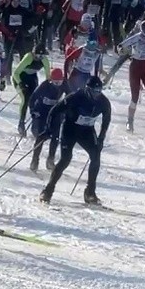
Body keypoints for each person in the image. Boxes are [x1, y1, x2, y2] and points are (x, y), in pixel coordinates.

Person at [38, 75, 110, 204]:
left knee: (95, 156)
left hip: (87, 131)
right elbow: (55, 110)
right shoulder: (75, 97)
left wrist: (101, 137)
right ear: (88, 89)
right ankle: (48, 191)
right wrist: (49, 129)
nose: (96, 94)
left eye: (99, 91)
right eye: (94, 91)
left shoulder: (103, 102)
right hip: (70, 129)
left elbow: (106, 119)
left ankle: (90, 192)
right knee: (65, 159)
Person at [24, 68, 66, 171]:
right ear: (51, 80)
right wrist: (33, 111)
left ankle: (50, 159)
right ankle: (35, 160)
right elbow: (33, 98)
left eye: (59, 82)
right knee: (41, 136)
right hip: (43, 113)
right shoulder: (44, 86)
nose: (57, 84)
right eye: (55, 82)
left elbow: (71, 97)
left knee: (55, 137)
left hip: (55, 114)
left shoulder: (64, 85)